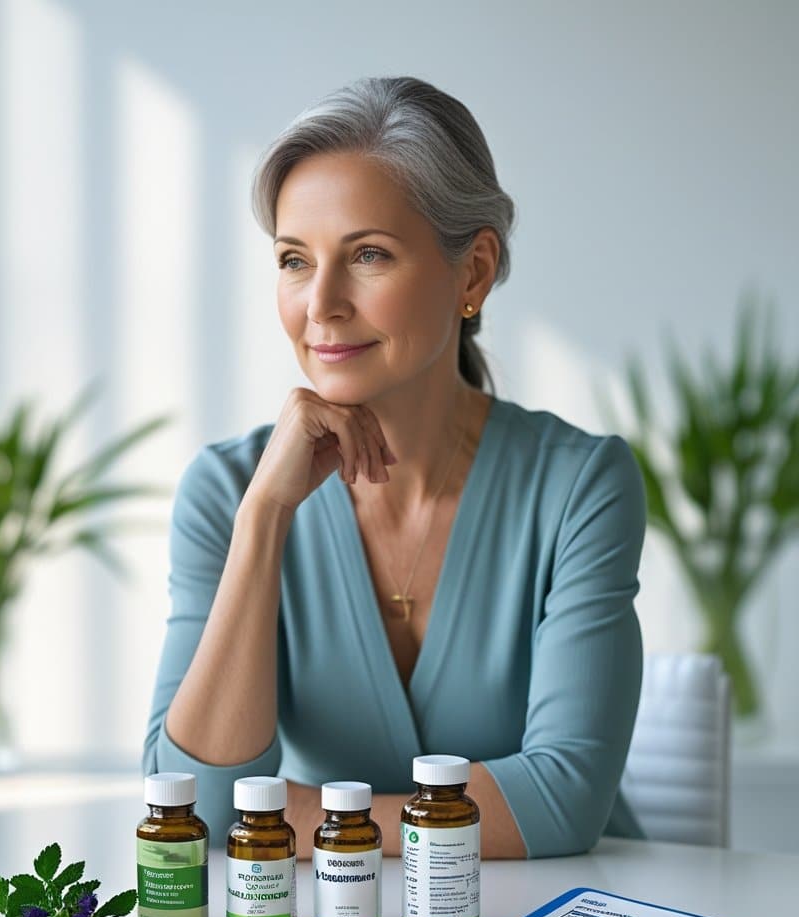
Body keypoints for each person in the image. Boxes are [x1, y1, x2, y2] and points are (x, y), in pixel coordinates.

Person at [143, 75, 646, 859]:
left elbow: (563, 800)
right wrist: (266, 518)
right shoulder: (228, 492)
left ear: (473, 272)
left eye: (368, 254)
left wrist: (296, 819)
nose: (321, 306)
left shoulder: (580, 485)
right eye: (294, 260)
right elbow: (194, 804)